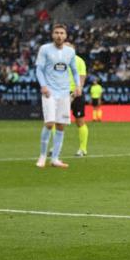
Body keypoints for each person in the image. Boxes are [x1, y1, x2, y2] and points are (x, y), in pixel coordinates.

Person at [35, 24, 81, 168]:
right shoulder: (45, 49)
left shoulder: (70, 52)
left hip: (64, 92)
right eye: (56, 33)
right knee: (49, 123)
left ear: (66, 36)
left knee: (61, 126)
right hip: (50, 92)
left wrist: (78, 85)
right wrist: (43, 85)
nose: (59, 35)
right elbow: (39, 70)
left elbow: (74, 70)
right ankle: (42, 156)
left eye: (62, 33)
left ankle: (55, 158)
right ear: (52, 34)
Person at [69, 51, 88, 156]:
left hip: (76, 94)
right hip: (62, 93)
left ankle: (83, 148)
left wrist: (78, 88)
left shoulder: (79, 60)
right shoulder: (58, 60)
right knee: (55, 120)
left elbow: (82, 76)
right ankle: (55, 148)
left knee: (79, 121)